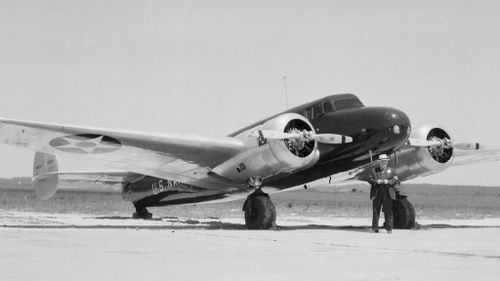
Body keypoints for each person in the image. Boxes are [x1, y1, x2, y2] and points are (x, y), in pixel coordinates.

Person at [369, 154, 399, 233]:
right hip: (377, 193)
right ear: (379, 162)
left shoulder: (392, 170)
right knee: (376, 211)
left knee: (388, 211)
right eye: (382, 161)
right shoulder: (374, 170)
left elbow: (396, 180)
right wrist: (376, 181)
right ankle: (374, 228)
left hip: (387, 193)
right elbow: (370, 179)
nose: (384, 163)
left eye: (385, 161)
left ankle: (389, 229)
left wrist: (388, 182)